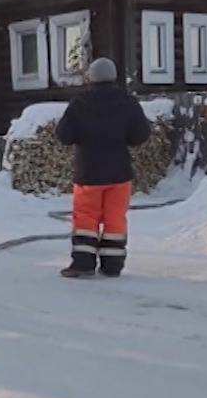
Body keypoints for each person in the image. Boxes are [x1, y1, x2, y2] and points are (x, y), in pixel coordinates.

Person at [54, 58, 153, 278]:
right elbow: (141, 135)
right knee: (115, 218)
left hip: (88, 173)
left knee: (86, 217)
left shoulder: (80, 104)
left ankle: (83, 263)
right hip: (119, 173)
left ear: (91, 77)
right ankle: (112, 265)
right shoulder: (128, 103)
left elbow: (64, 135)